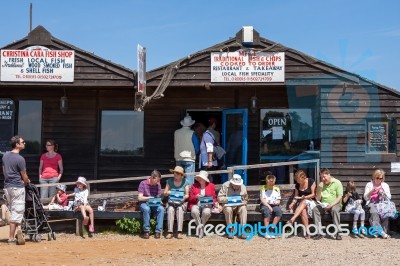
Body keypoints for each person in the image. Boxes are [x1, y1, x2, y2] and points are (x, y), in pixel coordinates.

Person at [2, 135, 30, 245]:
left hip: (7, 186)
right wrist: (27, 181)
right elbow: (24, 175)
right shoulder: (20, 159)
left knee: (14, 209)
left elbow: (5, 170)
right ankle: (11, 238)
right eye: (23, 142)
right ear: (17, 144)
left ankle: (19, 230)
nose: (24, 143)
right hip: (17, 187)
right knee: (17, 211)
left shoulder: (5, 156)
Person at [312, 168, 343, 240]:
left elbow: (339, 197)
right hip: (324, 204)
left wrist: (331, 205)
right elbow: (317, 199)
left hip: (335, 204)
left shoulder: (337, 182)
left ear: (329, 175)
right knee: (315, 210)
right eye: (321, 177)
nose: (323, 179)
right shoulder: (321, 184)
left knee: (335, 210)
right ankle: (319, 233)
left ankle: (338, 232)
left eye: (324, 177)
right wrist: (319, 189)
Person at [287, 170, 316, 239]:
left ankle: (293, 219)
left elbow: (313, 195)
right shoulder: (297, 185)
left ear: (303, 178)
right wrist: (292, 203)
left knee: (304, 201)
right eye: (296, 180)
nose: (298, 181)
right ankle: (308, 232)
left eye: (299, 180)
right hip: (301, 205)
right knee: (303, 211)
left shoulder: (311, 181)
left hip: (311, 202)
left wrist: (305, 197)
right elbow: (296, 197)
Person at [218, 174, 248, 239]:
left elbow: (246, 199)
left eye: (238, 185)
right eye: (235, 185)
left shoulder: (243, 187)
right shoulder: (225, 185)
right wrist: (229, 199)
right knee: (228, 210)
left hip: (239, 205)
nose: (237, 186)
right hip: (228, 205)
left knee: (243, 209)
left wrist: (244, 202)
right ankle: (230, 229)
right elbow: (219, 198)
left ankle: (243, 230)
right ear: (232, 183)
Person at [188, 170, 217, 238]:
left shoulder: (211, 186)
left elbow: (214, 198)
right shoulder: (194, 186)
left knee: (206, 212)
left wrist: (210, 202)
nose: (200, 179)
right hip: (196, 203)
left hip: (207, 204)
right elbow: (190, 198)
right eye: (199, 178)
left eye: (201, 178)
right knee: (194, 211)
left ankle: (201, 227)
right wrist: (196, 196)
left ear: (205, 179)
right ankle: (201, 229)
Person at [364, 169, 391, 238]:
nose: (379, 180)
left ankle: (382, 231)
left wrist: (383, 193)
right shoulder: (369, 184)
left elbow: (389, 197)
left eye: (381, 178)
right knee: (374, 212)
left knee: (385, 213)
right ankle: (380, 231)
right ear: (374, 177)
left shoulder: (385, 185)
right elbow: (365, 198)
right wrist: (371, 191)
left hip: (382, 203)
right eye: (377, 178)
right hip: (372, 202)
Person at [164, 166, 189, 239]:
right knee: (170, 209)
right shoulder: (169, 181)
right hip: (171, 201)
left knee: (180, 210)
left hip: (181, 202)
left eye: (177, 174)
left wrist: (183, 198)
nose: (175, 175)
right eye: (174, 173)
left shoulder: (185, 182)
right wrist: (170, 192)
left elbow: (187, 194)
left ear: (181, 175)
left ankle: (179, 231)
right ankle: (170, 231)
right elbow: (165, 192)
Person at [137, 170, 164, 239]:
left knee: (161, 209)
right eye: (157, 181)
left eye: (159, 181)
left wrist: (159, 201)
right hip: (144, 203)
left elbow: (158, 197)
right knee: (146, 209)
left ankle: (158, 231)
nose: (158, 182)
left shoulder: (158, 185)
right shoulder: (143, 183)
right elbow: (139, 198)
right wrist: (148, 198)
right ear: (152, 177)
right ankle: (146, 231)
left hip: (154, 204)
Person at [174, 115, 199, 186]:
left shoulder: (176, 132)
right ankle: (189, 193)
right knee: (189, 177)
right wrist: (197, 152)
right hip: (189, 158)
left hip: (178, 157)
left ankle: (179, 192)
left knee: (178, 176)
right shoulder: (192, 133)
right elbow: (196, 146)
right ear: (191, 124)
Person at [259, 175, 282, 239]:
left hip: (274, 205)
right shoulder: (263, 188)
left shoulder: (277, 188)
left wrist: (277, 202)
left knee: (279, 212)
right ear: (267, 182)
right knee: (267, 212)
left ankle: (271, 229)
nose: (271, 186)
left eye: (272, 184)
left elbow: (278, 199)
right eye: (269, 184)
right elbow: (262, 200)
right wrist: (269, 206)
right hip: (265, 204)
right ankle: (266, 231)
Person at [199, 118, 221, 183]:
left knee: (208, 178)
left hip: (207, 161)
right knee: (209, 178)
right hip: (207, 161)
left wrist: (209, 161)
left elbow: (210, 147)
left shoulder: (206, 135)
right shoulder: (210, 134)